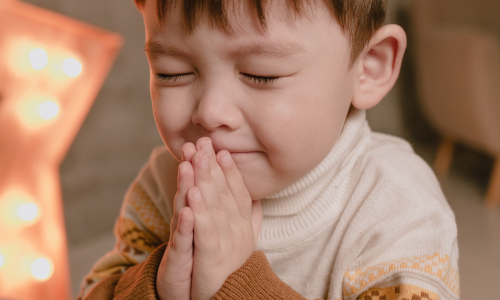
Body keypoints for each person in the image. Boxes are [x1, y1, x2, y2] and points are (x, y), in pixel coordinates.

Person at [77, 0, 459, 299]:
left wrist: (238, 285)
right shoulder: (164, 187)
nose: (210, 111)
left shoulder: (397, 209)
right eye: (171, 71)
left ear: (369, 68)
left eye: (262, 74)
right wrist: (157, 288)